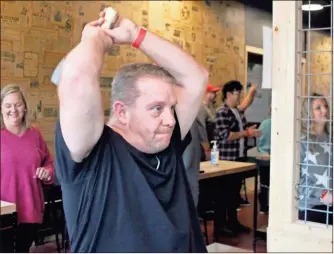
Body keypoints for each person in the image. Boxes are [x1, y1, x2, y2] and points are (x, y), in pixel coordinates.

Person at [54, 9, 208, 253]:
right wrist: (96, 39)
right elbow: (76, 77)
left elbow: (196, 77)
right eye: (157, 108)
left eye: (171, 107)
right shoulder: (94, 154)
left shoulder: (164, 139)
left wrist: (135, 34)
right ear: (122, 112)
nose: (170, 120)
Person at [0, 84, 55, 253]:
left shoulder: (34, 135)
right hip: (4, 214)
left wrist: (47, 172)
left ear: (25, 107)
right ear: (1, 109)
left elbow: (49, 163)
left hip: (31, 210)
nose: (13, 110)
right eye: (8, 105)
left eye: (18, 104)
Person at [213, 80, 261, 236]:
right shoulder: (222, 112)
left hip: (238, 158)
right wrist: (246, 133)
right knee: (222, 194)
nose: (240, 96)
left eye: (241, 93)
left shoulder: (238, 112)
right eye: (237, 93)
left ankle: (233, 222)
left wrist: (249, 131)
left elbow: (247, 104)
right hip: (226, 160)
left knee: (234, 194)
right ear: (228, 94)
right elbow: (225, 135)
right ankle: (220, 226)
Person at [298, 93, 333, 225]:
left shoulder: (331, 138)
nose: (324, 110)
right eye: (318, 108)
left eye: (325, 106)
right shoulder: (301, 141)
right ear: (308, 112)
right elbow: (297, 181)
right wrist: (326, 197)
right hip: (311, 206)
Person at [257, 104, 272, 214]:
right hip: (276, 158)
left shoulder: (265, 123)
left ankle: (263, 205)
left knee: (264, 183)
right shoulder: (285, 124)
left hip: (264, 157)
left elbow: (259, 143)